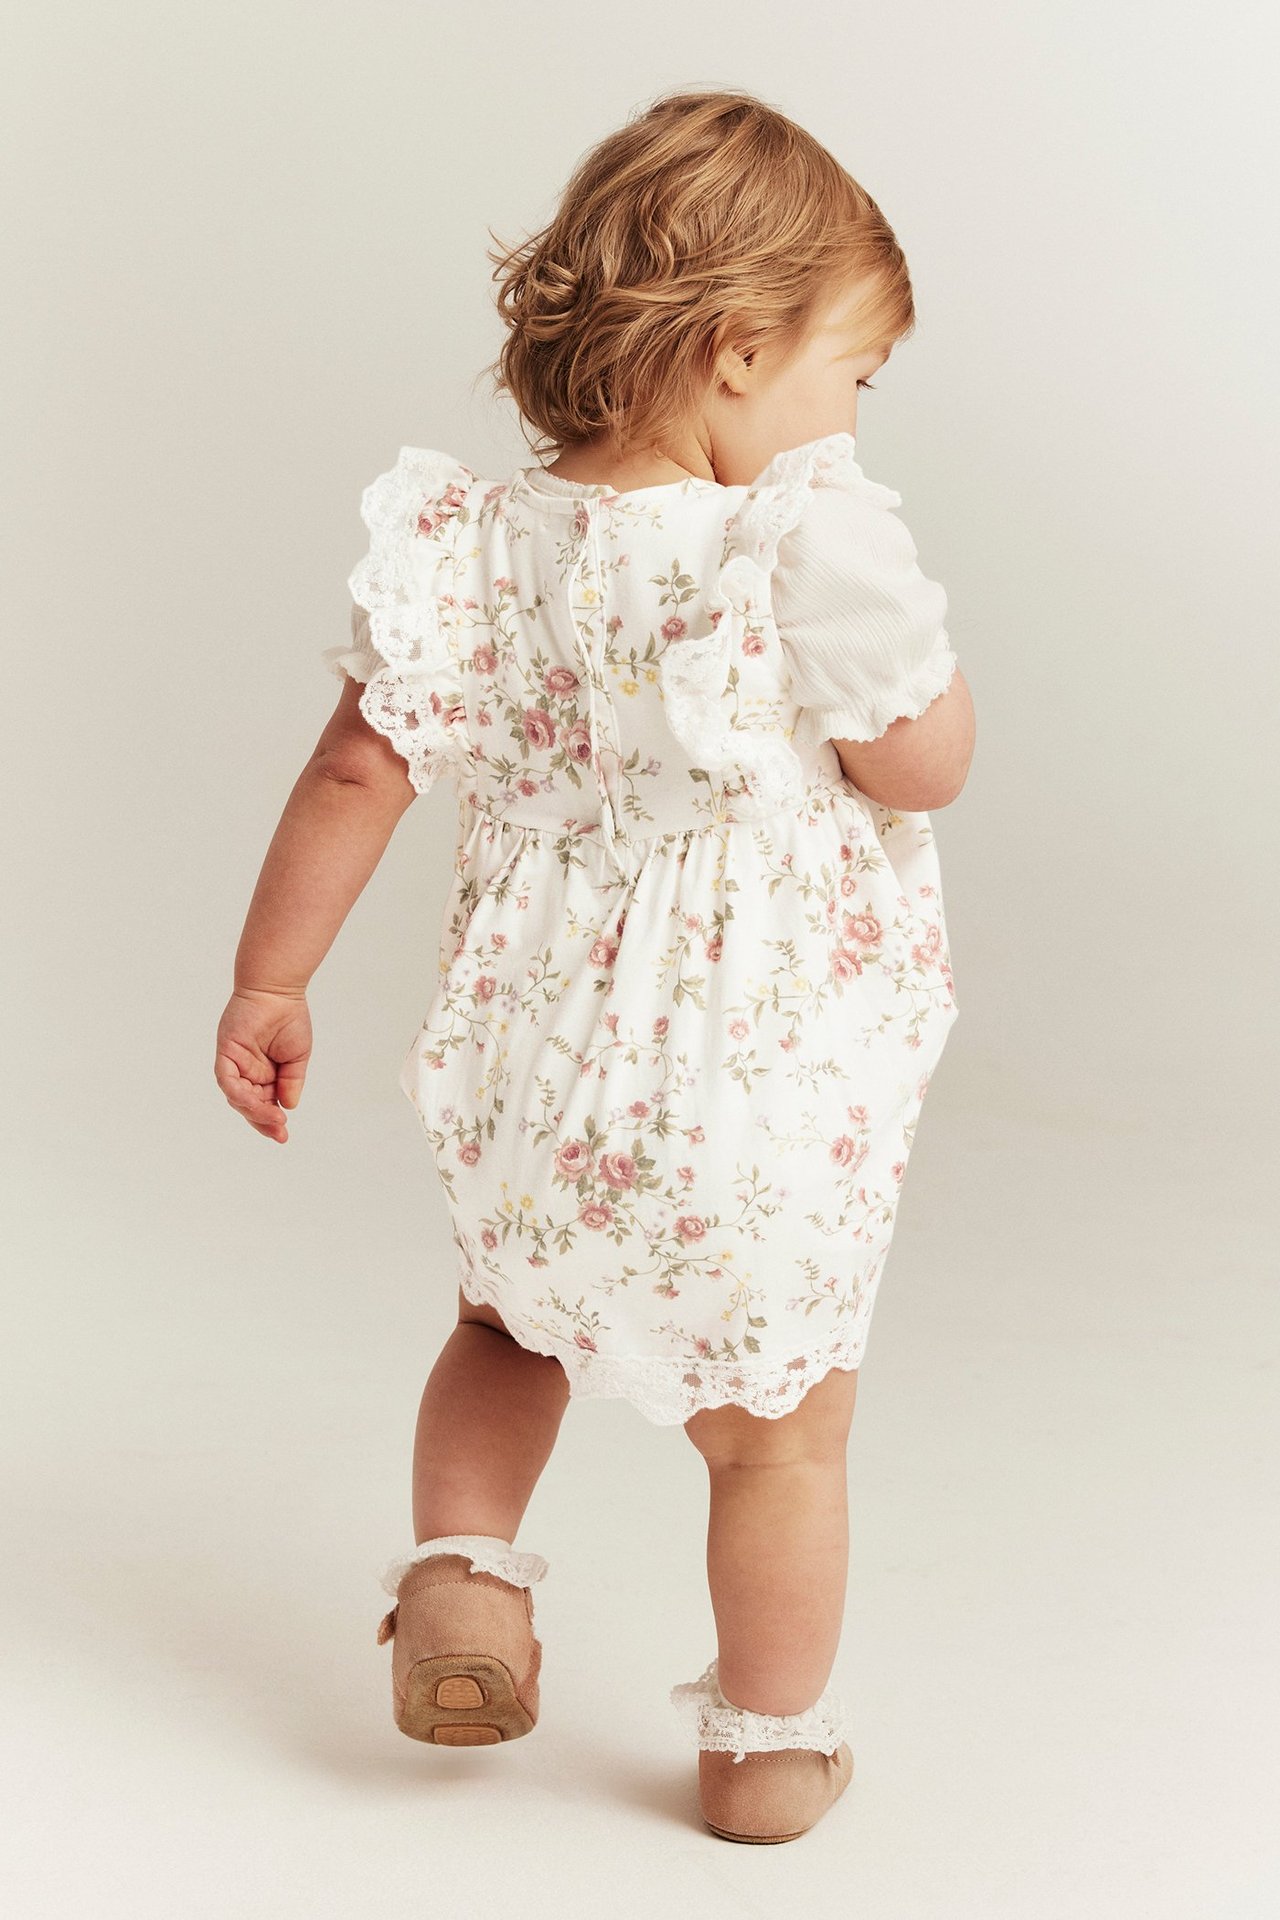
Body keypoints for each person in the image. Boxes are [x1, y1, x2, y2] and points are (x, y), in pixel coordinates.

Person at [215, 87, 976, 1844]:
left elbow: (357, 768)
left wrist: (272, 984)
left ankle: (464, 1572)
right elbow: (924, 765)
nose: (851, 416)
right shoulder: (808, 539)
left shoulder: (474, 544)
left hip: (527, 1059)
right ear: (733, 351)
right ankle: (770, 1746)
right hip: (743, 1084)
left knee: (502, 1321)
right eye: (851, 372)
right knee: (777, 1431)